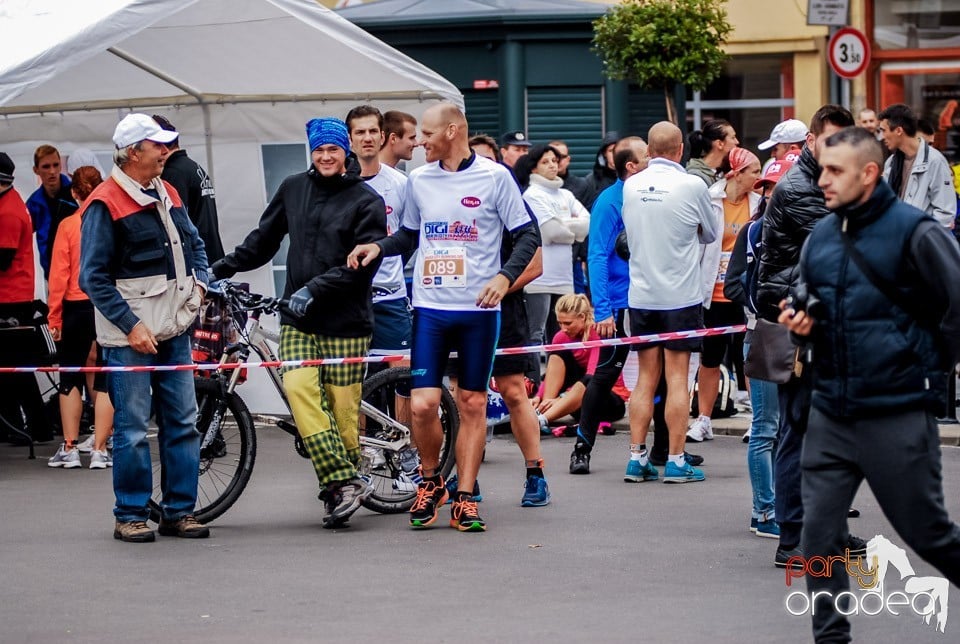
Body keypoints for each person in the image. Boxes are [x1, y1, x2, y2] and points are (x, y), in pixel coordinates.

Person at [780, 125, 960, 644]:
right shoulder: (821, 234)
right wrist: (800, 314)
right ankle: (831, 639)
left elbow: (957, 307)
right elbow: (803, 292)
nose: (823, 183)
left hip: (896, 411)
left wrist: (930, 370)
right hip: (830, 410)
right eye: (821, 170)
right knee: (815, 542)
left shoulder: (915, 232)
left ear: (869, 173)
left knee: (929, 534)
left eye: (835, 171)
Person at [348, 103, 539, 532]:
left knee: (472, 403)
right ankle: (431, 480)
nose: (420, 143)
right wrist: (378, 247)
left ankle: (466, 496)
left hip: (478, 311)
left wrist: (505, 278)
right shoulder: (420, 180)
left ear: (453, 131)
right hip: (431, 308)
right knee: (423, 404)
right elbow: (410, 234)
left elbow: (526, 235)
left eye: (428, 134)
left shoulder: (495, 177)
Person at [212, 116, 385, 529]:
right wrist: (220, 268)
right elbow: (263, 241)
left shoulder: (366, 200)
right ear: (312, 151)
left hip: (346, 321)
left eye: (333, 149)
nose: (326, 156)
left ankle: (338, 487)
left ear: (346, 152)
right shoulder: (293, 188)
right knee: (298, 390)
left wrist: (316, 288)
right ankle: (344, 482)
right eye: (319, 149)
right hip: (298, 318)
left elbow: (362, 268)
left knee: (344, 418)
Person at [79, 113, 210, 543]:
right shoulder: (104, 201)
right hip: (130, 338)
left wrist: (202, 285)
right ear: (134, 152)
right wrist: (131, 325)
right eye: (157, 145)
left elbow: (194, 242)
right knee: (132, 429)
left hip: (173, 330)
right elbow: (91, 277)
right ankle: (130, 514)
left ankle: (178, 512)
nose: (165, 151)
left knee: (183, 423)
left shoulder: (167, 188)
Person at [756, 104, 865, 568]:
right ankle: (792, 537)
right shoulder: (801, 188)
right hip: (796, 324)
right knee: (798, 430)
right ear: (812, 141)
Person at [571, 136, 701, 473]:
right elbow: (596, 254)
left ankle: (663, 450)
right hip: (620, 302)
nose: (654, 157)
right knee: (606, 374)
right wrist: (601, 309)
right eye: (646, 154)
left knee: (658, 378)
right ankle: (582, 448)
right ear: (631, 166)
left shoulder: (653, 194)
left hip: (651, 298)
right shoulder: (612, 201)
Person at [620, 121, 719, 484]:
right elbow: (709, 233)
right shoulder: (693, 184)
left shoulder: (631, 185)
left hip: (642, 295)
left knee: (646, 378)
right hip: (680, 295)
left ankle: (636, 456)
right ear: (681, 150)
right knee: (678, 378)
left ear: (649, 150)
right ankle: (676, 460)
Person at [465, 131, 551, 508]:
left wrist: (500, 285)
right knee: (465, 397)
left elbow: (536, 263)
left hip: (505, 311)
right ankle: (466, 480)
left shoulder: (509, 198)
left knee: (514, 392)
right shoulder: (451, 201)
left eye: (488, 161)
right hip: (458, 312)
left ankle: (536, 475)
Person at [722, 153, 797, 539]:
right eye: (768, 187)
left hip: (801, 338)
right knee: (766, 426)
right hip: (765, 336)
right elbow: (733, 283)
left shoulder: (806, 228)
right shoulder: (752, 233)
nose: (772, 194)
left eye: (778, 187)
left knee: (796, 425)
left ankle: (793, 508)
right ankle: (764, 511)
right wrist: (759, 311)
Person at [686, 147, 760, 443]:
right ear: (737, 173)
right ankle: (704, 419)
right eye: (754, 171)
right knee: (710, 358)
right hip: (713, 293)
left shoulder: (758, 202)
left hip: (746, 293)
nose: (758, 176)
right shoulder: (711, 198)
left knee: (750, 359)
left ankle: (757, 419)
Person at [47, 166, 114, 470]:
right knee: (103, 376)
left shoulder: (68, 225)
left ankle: (71, 446)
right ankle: (100, 449)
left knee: (69, 376)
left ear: (74, 193)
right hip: (105, 305)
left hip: (75, 306)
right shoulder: (112, 221)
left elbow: (58, 276)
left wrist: (54, 317)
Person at [515, 144, 590, 366]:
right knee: (535, 335)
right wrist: (571, 230)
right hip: (539, 278)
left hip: (564, 277)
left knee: (561, 336)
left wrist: (563, 228)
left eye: (555, 161)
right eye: (545, 162)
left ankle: (556, 387)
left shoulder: (566, 194)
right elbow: (549, 231)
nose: (552, 165)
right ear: (534, 168)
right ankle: (534, 385)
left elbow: (587, 224)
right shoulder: (532, 195)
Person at [0, 152, 51, 445]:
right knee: (13, 369)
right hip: (14, 296)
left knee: (13, 369)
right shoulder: (12, 201)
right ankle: (21, 425)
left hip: (10, 299)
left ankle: (26, 427)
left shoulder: (7, 212)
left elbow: (3, 259)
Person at [533, 294, 629, 431]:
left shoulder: (596, 333)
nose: (563, 328)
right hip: (577, 403)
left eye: (568, 323)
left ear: (582, 317)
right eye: (560, 323)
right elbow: (551, 372)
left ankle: (542, 420)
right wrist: (539, 397)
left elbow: (592, 375)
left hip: (609, 399)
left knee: (591, 380)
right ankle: (543, 409)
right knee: (557, 355)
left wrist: (562, 398)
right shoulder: (561, 336)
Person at [152, 114, 226, 262]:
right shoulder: (190, 166)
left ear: (163, 147)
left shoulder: (173, 173)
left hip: (199, 262)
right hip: (211, 256)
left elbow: (175, 224)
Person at [878, 103, 956, 228]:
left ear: (898, 130)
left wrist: (919, 235)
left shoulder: (935, 160)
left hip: (921, 242)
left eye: (883, 130)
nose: (882, 136)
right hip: (896, 237)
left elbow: (945, 213)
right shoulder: (892, 162)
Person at [26, 144, 77, 279]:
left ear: (61, 166)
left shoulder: (77, 194)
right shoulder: (34, 203)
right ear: (36, 170)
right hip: (52, 274)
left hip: (79, 273)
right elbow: (21, 234)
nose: (52, 171)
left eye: (56, 165)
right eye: (46, 166)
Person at [686, 119, 738, 188]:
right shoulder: (695, 177)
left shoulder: (727, 173)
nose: (737, 142)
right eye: (733, 138)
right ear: (719, 144)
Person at [580, 131, 619, 209]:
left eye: (617, 150)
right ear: (604, 153)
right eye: (611, 151)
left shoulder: (630, 178)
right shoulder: (591, 181)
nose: (615, 154)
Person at [549, 139, 588, 205]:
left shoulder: (581, 185)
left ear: (568, 160)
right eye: (553, 158)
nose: (558, 160)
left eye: (561, 156)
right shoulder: (536, 187)